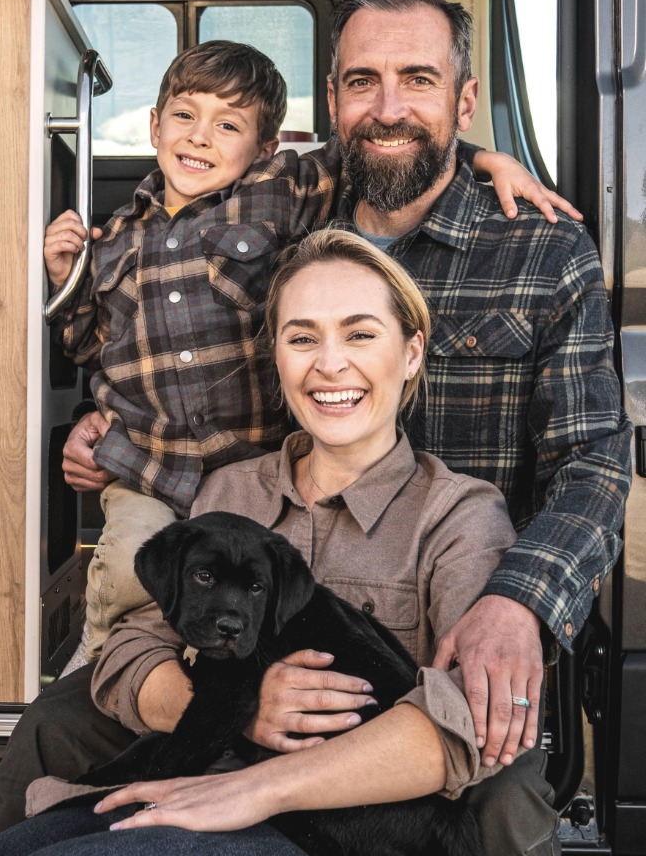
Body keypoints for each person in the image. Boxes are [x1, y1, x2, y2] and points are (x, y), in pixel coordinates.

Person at [0, 0, 631, 856]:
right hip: (257, 601)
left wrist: (517, 603)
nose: (388, 108)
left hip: (441, 626)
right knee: (55, 721)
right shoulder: (281, 206)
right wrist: (112, 427)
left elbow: (592, 463)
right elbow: (165, 338)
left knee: (478, 785)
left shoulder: (539, 251)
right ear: (331, 101)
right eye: (363, 81)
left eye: (419, 81)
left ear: (465, 101)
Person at [0, 229, 525, 855]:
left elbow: (471, 723)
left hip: (328, 825)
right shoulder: (231, 492)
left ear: (412, 352)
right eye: (302, 337)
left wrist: (263, 785)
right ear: (276, 355)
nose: (329, 363)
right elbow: (132, 649)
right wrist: (240, 710)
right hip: (195, 786)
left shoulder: (459, 517)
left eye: (361, 334)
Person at [44, 39, 572, 671]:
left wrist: (487, 159)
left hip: (251, 476)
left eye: (229, 125)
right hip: (149, 468)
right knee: (133, 579)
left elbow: (380, 147)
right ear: (155, 125)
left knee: (249, 604)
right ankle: (93, 685)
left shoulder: (276, 193)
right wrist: (62, 277)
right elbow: (86, 346)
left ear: (264, 148)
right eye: (185, 117)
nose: (201, 138)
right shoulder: (113, 240)